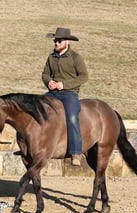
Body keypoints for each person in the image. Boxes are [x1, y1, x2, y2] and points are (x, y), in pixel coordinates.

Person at [42, 27, 88, 166]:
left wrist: (64, 84)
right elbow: (45, 74)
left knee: (72, 117)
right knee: (36, 109)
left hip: (69, 94)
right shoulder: (51, 57)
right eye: (55, 40)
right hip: (52, 93)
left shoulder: (76, 57)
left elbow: (84, 76)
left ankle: (76, 152)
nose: (56, 43)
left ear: (67, 42)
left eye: (59, 41)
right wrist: (48, 81)